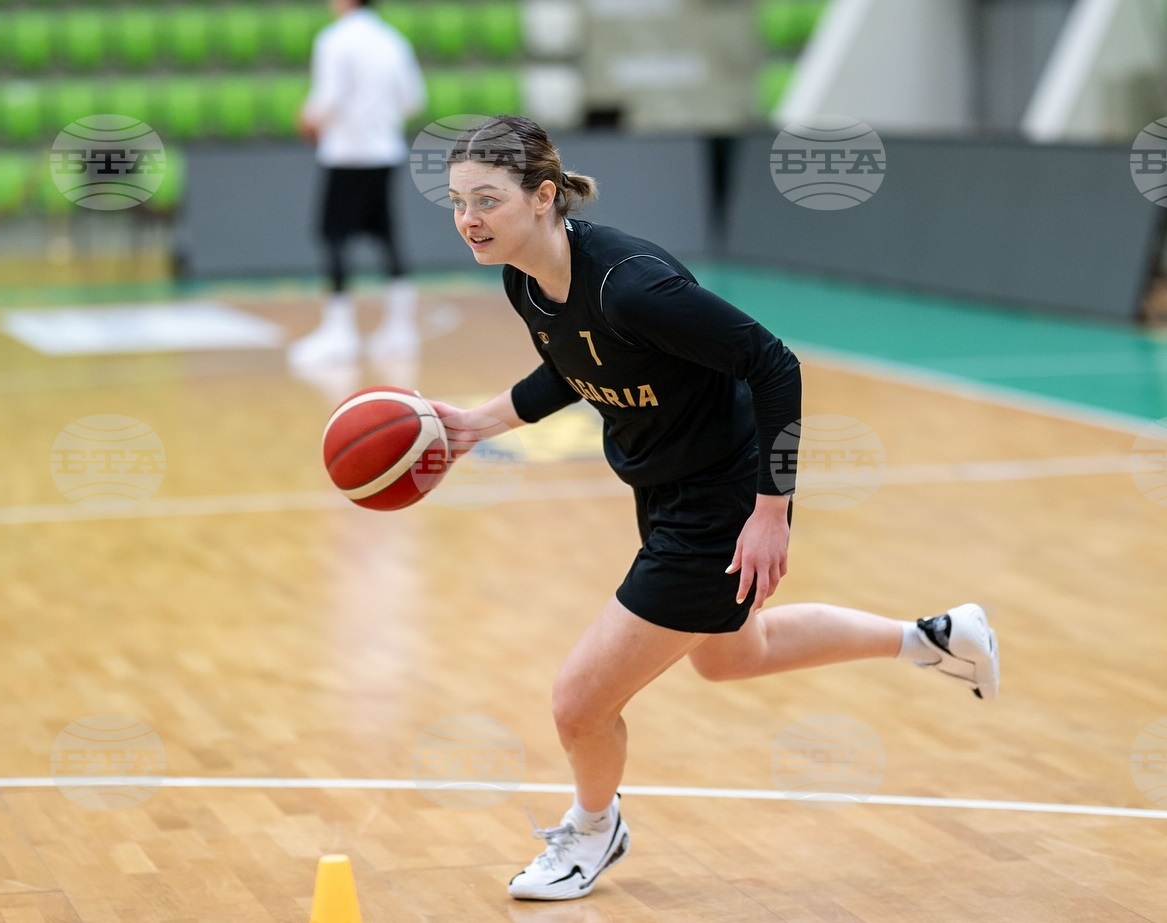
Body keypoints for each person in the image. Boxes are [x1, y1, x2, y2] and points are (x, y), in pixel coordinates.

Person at [426, 115, 1000, 902]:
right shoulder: (526, 280)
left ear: (543, 196)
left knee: (579, 703)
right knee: (731, 654)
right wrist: (474, 425)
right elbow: (573, 365)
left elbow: (774, 364)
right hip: (663, 488)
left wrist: (769, 511)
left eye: (486, 200)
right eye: (457, 202)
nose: (468, 219)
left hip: (719, 500)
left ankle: (593, 829)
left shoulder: (630, 284)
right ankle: (936, 637)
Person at [290, 0, 426, 368]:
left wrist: (308, 118)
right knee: (387, 233)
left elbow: (328, 98)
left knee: (334, 236)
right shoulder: (393, 40)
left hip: (347, 153)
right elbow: (413, 100)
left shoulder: (334, 40)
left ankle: (340, 334)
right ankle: (401, 328)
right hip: (385, 150)